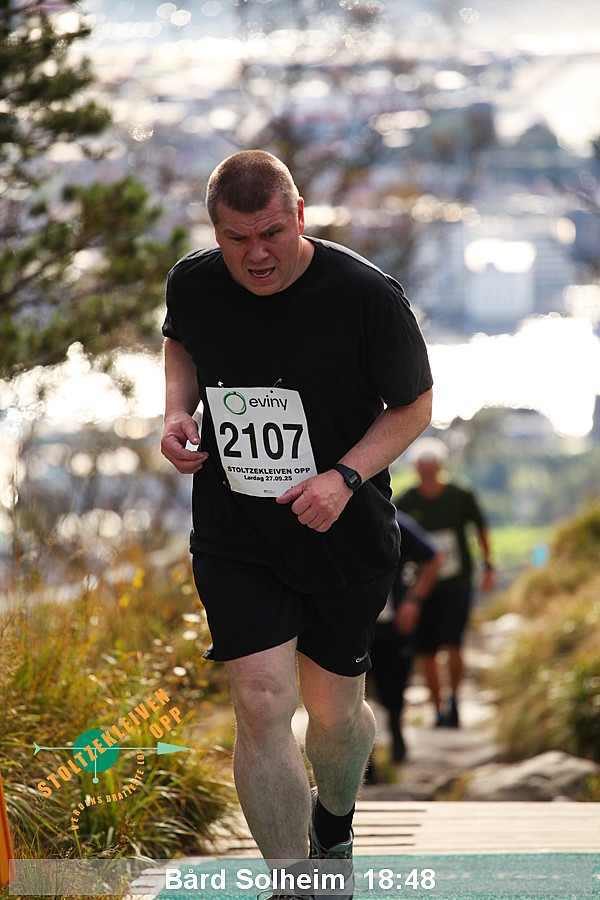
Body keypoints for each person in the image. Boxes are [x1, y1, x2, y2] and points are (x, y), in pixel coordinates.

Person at [160, 150, 433, 898]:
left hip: (342, 533)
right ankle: (291, 884)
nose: (256, 254)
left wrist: (343, 478)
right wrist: (177, 412)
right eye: (237, 239)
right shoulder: (194, 282)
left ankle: (334, 823)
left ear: (300, 217)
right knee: (260, 701)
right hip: (236, 531)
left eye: (272, 234)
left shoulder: (365, 295)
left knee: (335, 716)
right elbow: (181, 339)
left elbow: (414, 406)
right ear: (216, 231)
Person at [395, 437, 496, 728]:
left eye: (432, 467)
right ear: (415, 469)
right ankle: (437, 709)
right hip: (423, 588)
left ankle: (454, 701)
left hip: (457, 583)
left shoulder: (460, 496)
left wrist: (488, 565)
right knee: (426, 650)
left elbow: (481, 528)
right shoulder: (405, 502)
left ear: (441, 466)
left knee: (453, 643)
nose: (427, 473)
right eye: (422, 468)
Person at [367, 510, 442, 776]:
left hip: (393, 628)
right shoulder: (327, 513)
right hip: (353, 628)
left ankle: (396, 735)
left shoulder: (392, 519)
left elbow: (435, 557)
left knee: (394, 692)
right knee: (353, 698)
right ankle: (366, 764)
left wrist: (413, 601)